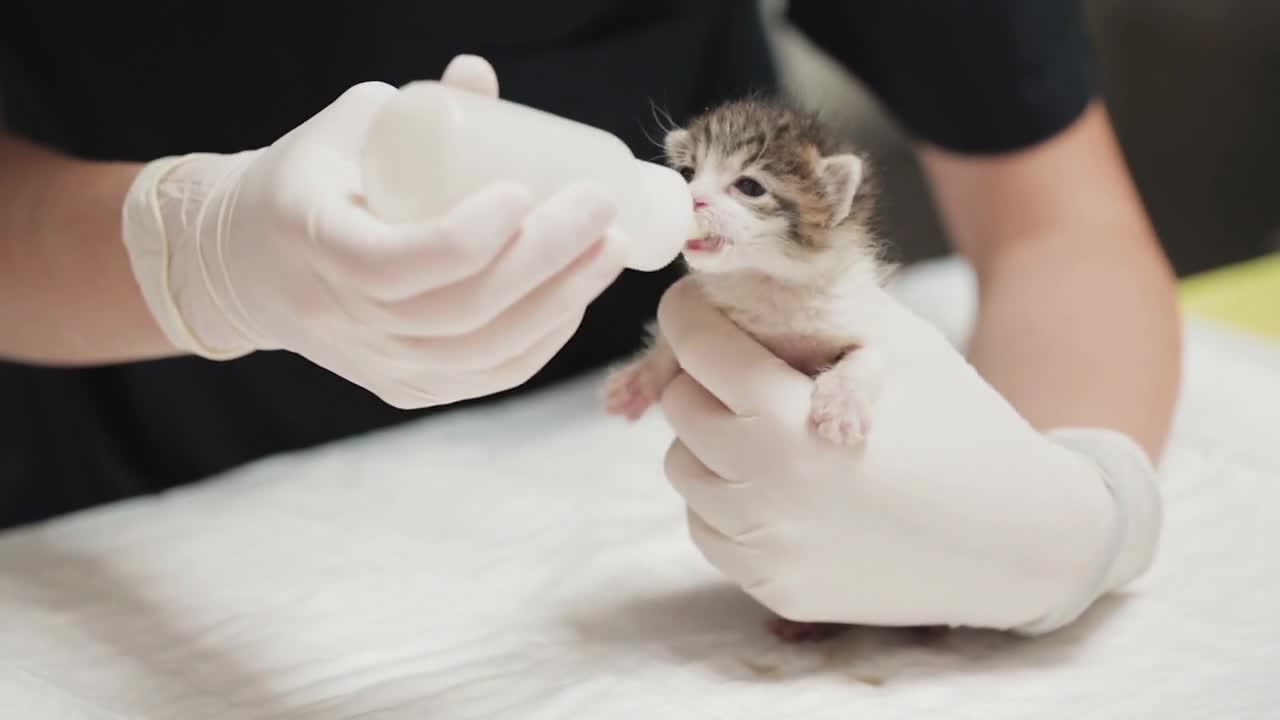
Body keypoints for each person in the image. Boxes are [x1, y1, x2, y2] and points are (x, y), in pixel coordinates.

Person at [0, 3, 1178, 634]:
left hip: (605, 516)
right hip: (95, 517)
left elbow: (1051, 219)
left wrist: (1074, 510)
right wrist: (195, 249)